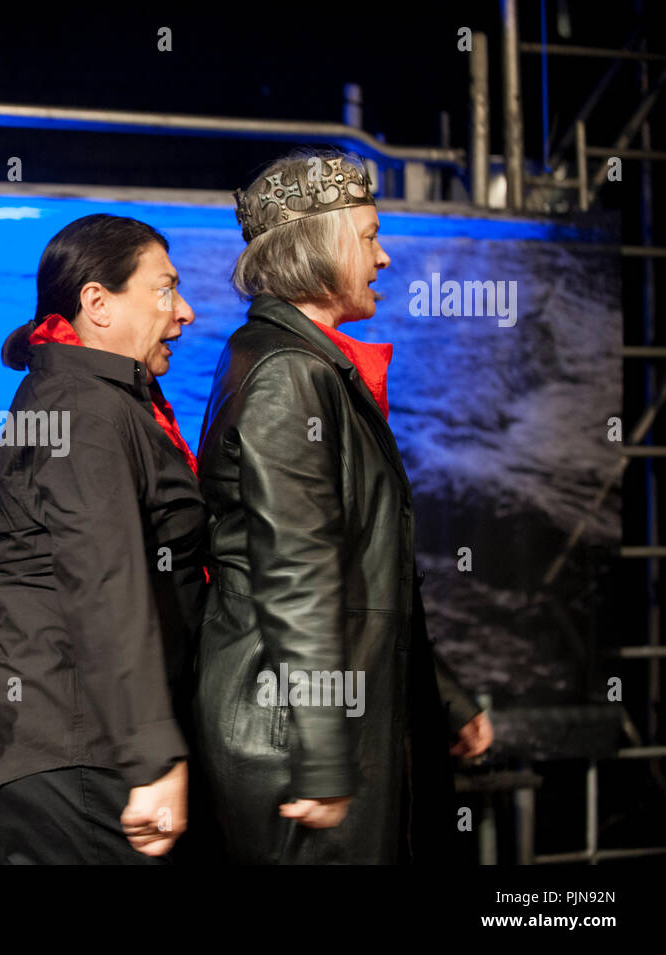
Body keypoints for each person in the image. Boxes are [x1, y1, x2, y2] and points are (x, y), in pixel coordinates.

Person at [191, 151, 493, 864]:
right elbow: (295, 573)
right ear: (318, 246)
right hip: (293, 737)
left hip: (321, 719)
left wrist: (442, 695)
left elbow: (367, 578)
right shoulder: (289, 373)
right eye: (368, 235)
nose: (383, 257)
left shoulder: (298, 363)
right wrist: (324, 756)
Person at [0, 213, 207, 864]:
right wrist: (152, 754)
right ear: (96, 302)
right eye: (164, 288)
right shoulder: (84, 408)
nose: (184, 311)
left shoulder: (81, 395)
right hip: (78, 747)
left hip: (61, 746)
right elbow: (105, 578)